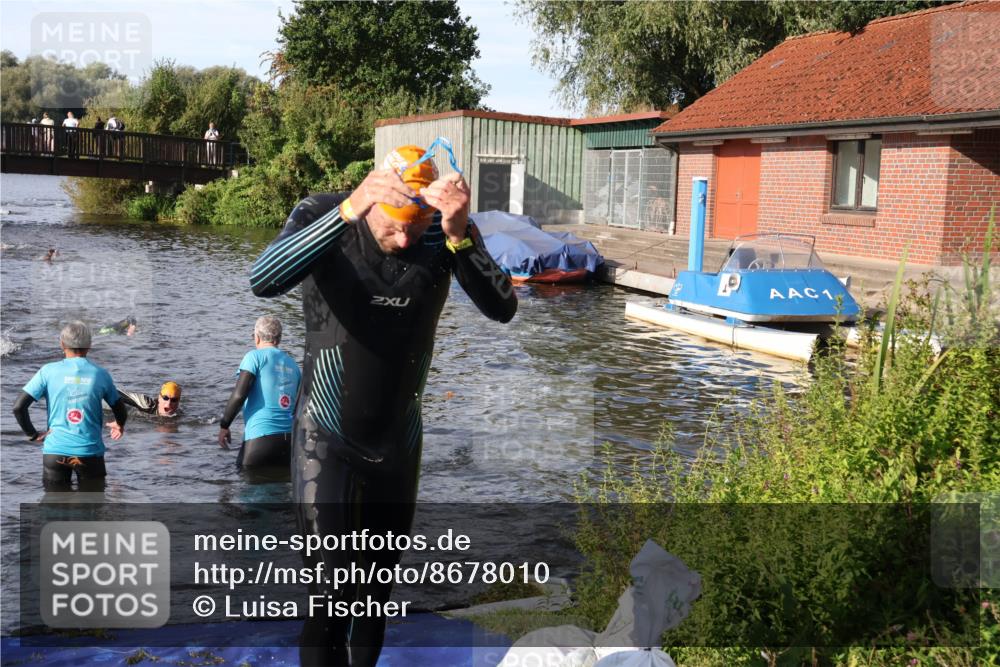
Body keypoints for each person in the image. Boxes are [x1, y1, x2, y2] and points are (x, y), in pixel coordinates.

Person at [250, 144, 517, 666]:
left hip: (398, 444)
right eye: (396, 226)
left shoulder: (445, 231)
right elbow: (263, 279)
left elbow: (503, 306)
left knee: (372, 601)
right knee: (329, 600)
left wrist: (461, 235)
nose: (406, 238)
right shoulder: (325, 212)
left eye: (417, 228)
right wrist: (348, 209)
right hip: (325, 440)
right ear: (374, 201)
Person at [11, 321, 128, 491]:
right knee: (93, 509)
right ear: (89, 345)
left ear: (62, 344)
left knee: (54, 508)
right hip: (89, 453)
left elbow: (18, 407)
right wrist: (120, 424)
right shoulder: (100, 374)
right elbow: (119, 408)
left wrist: (32, 434)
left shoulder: (47, 371)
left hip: (55, 452)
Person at [218, 315, 301, 468]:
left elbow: (239, 394)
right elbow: (300, 405)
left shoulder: (254, 357)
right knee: (278, 489)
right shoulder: (294, 365)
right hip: (289, 444)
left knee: (245, 484)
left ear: (256, 337)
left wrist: (224, 425)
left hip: (260, 439)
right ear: (279, 339)